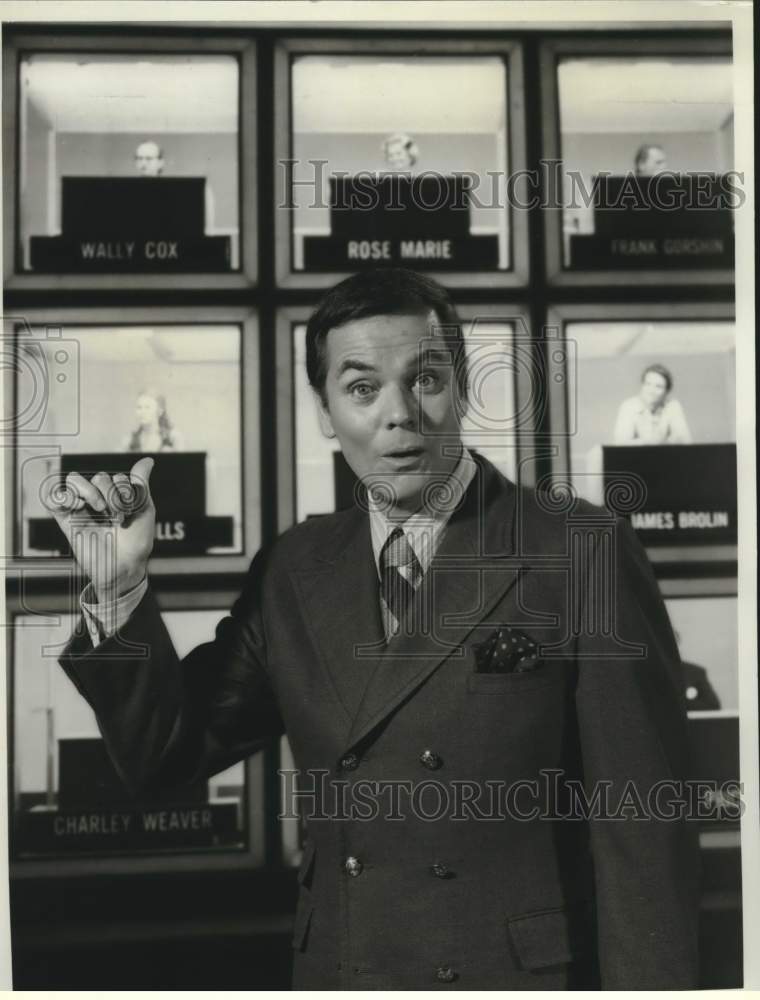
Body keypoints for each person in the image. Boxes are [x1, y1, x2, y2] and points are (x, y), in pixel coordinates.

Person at [49, 269, 698, 990]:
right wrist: (119, 589)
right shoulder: (295, 567)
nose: (399, 415)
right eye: (361, 388)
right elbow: (164, 758)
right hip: (346, 970)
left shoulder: (578, 547)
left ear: (462, 389)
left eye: (425, 379)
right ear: (325, 411)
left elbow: (643, 830)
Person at [614, 363, 692, 445]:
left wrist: (651, 442)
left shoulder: (673, 406)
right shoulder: (628, 406)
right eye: (648, 384)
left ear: (666, 392)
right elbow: (621, 445)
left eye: (658, 386)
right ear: (642, 385)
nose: (651, 391)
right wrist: (656, 441)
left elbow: (685, 441)